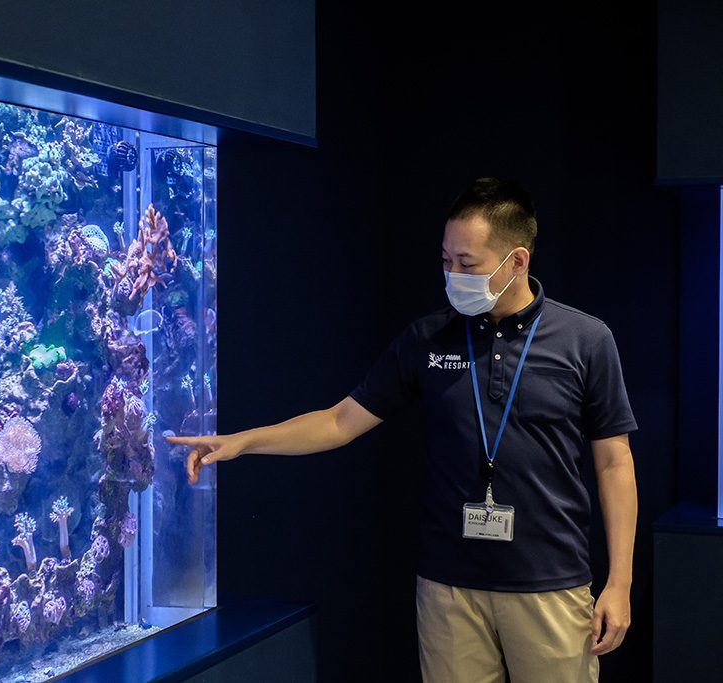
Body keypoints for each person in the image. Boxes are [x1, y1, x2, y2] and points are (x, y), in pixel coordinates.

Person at [165, 177, 637, 682]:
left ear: (517, 261)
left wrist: (620, 583)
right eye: (445, 259)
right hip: (449, 589)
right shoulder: (427, 338)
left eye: (468, 264)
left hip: (551, 586)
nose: (453, 274)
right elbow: (339, 421)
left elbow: (614, 462)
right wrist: (242, 442)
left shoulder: (586, 340)